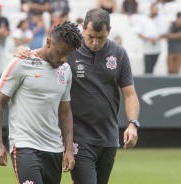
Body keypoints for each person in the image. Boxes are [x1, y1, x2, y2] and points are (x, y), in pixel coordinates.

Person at [16, 8, 140, 184]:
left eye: (101, 38)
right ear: (83, 28)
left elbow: (130, 94)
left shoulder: (119, 54)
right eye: (90, 37)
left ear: (109, 32)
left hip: (108, 138)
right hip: (79, 138)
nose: (95, 42)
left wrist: (133, 124)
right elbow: (45, 54)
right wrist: (25, 52)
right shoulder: (70, 50)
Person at [0, 21, 82, 184]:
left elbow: (65, 111)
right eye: (61, 52)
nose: (63, 59)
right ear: (48, 42)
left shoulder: (65, 70)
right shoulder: (21, 63)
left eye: (68, 55)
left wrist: (68, 149)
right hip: (25, 145)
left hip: (54, 149)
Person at [138, 3, 164, 74]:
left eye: (157, 10)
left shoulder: (160, 20)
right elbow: (139, 34)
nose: (156, 12)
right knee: (147, 69)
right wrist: (149, 39)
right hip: (147, 49)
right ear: (151, 9)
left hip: (157, 48)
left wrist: (157, 38)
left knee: (153, 68)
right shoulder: (144, 20)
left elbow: (163, 33)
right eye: (154, 10)